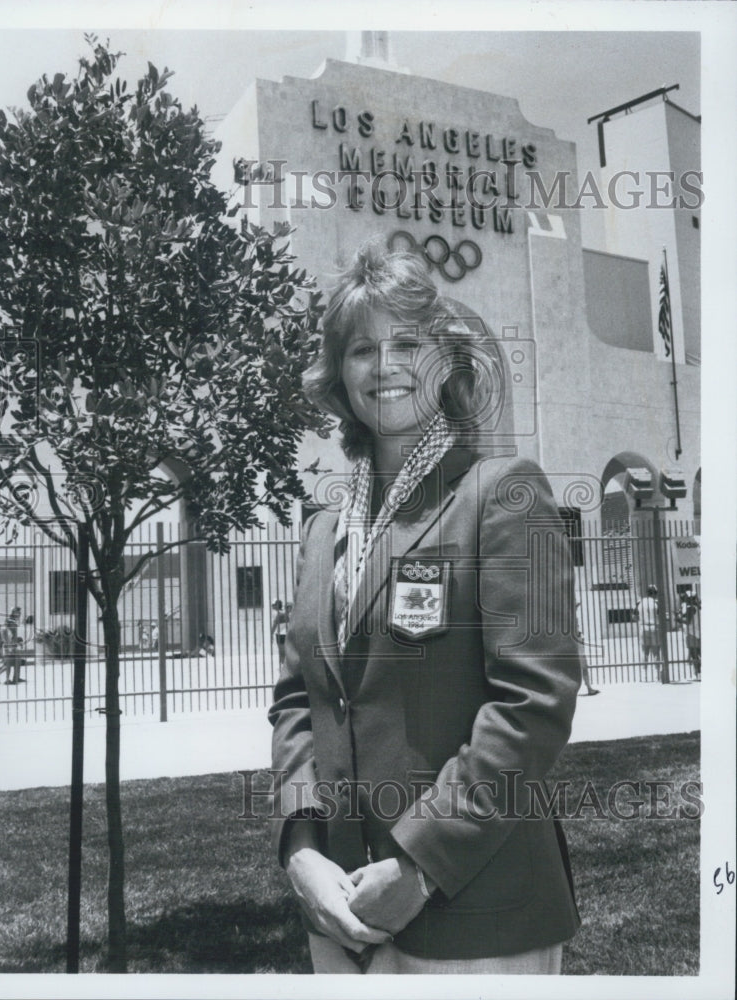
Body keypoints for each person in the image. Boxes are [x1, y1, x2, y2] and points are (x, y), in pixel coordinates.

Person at [268, 242, 582, 974]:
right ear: (338, 374)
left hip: (474, 915)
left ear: (448, 361)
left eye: (408, 342)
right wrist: (302, 847)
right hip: (341, 912)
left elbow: (533, 705)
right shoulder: (324, 529)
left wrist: (418, 864)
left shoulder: (502, 493)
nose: (385, 367)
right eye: (360, 349)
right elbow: (296, 702)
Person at [635, 585, 661, 682]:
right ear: (654, 593)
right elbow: (661, 615)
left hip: (643, 627)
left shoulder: (639, 602)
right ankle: (657, 675)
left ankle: (644, 675)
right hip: (654, 627)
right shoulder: (656, 602)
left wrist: (641, 619)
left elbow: (634, 616)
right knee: (656, 652)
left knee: (644, 652)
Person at [270, 600, 292, 665]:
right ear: (286, 608)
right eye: (289, 607)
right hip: (280, 635)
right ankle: (282, 665)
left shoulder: (292, 616)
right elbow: (274, 625)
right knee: (282, 651)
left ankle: (283, 665)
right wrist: (271, 634)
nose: (291, 609)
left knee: (286, 651)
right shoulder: (280, 615)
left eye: (291, 607)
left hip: (287, 635)